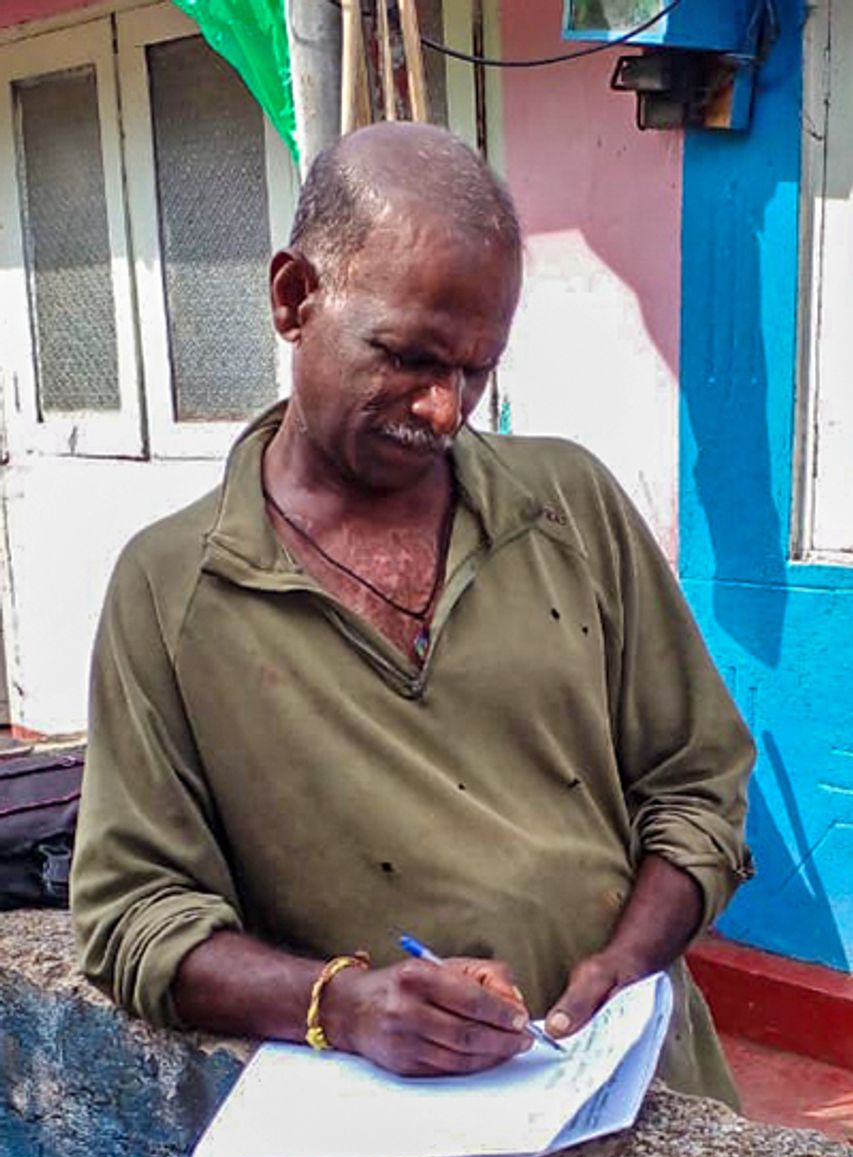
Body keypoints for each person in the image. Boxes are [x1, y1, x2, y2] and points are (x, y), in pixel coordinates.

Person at [71, 123, 754, 1102]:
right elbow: (132, 913)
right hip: (394, 1154)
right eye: (407, 357)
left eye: (475, 370)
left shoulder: (569, 506)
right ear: (294, 298)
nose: (443, 409)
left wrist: (625, 963)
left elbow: (697, 784)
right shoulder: (171, 588)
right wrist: (341, 1005)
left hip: (644, 1093)